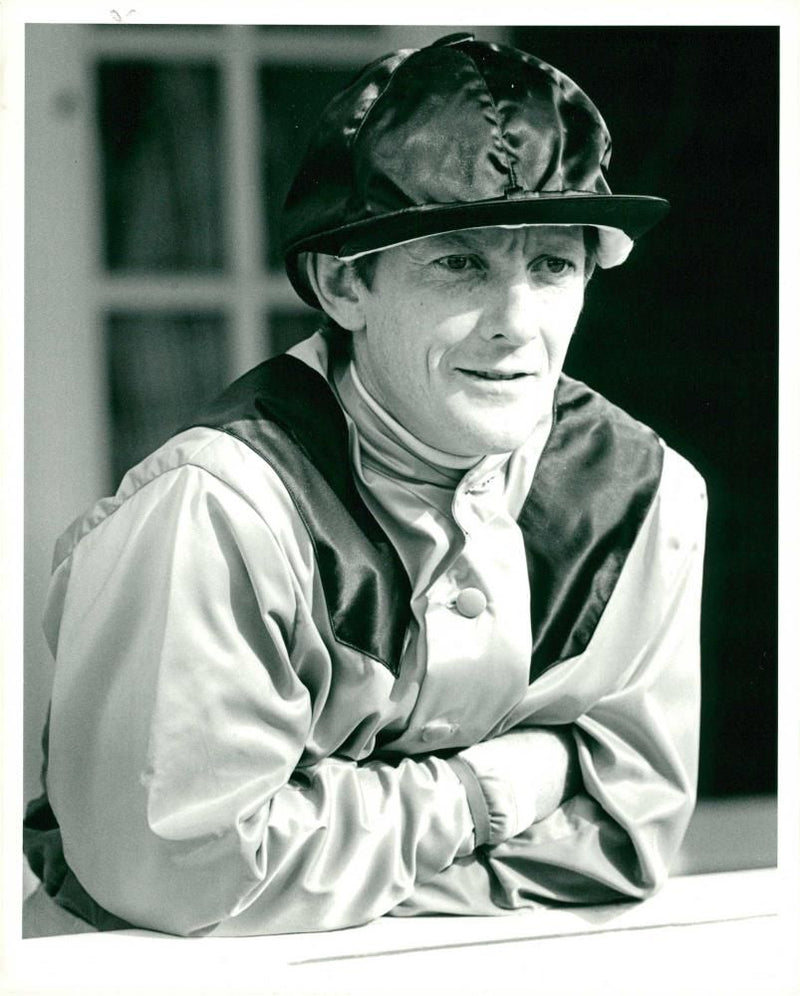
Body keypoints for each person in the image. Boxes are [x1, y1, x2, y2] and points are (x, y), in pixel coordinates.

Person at [23, 33, 706, 937]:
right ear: (346, 285)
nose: (516, 324)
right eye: (460, 263)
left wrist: (312, 852)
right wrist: (487, 792)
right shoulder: (220, 511)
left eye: (551, 266)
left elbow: (626, 839)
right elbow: (179, 875)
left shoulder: (644, 496)